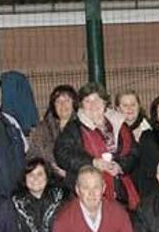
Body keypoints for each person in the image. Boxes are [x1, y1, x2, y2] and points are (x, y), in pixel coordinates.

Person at [54, 82, 140, 210]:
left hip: (122, 193)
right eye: (87, 101)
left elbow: (134, 151)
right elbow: (61, 154)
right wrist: (92, 162)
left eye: (97, 100)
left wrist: (120, 166)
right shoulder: (74, 128)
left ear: (105, 103)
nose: (93, 105)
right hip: (88, 196)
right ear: (81, 105)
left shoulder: (119, 123)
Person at [27, 85, 77, 183]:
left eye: (67, 100)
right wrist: (50, 168)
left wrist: (69, 174)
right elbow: (33, 156)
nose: (63, 105)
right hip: (49, 181)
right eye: (58, 102)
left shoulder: (82, 126)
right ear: (53, 105)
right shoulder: (42, 129)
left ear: (74, 103)